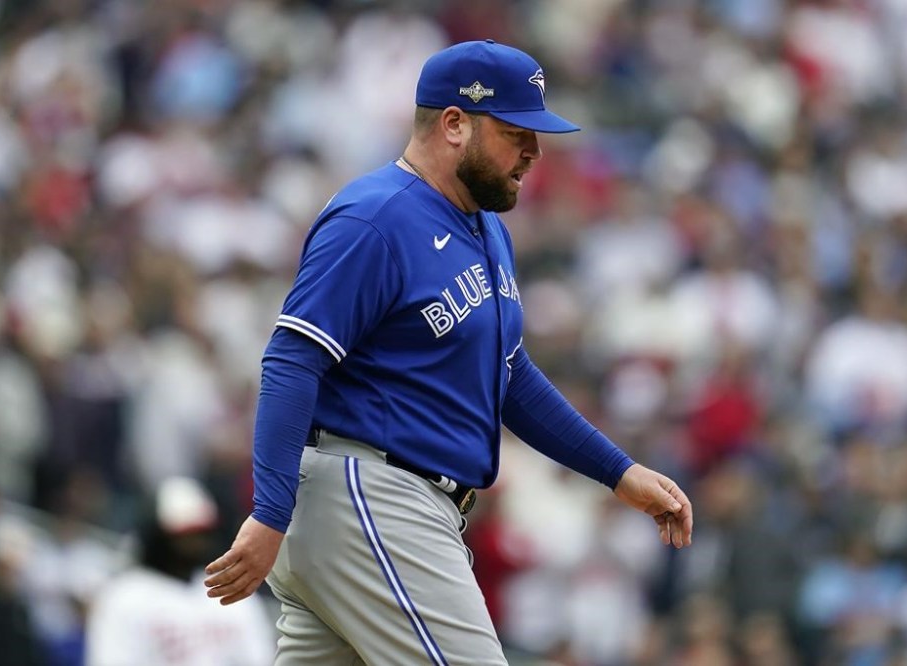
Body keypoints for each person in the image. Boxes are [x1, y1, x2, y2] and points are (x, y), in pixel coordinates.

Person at [203, 39, 693, 665]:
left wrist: (617, 472)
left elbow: (509, 376)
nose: (534, 152)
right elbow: (292, 359)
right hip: (373, 497)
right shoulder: (375, 218)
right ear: (455, 123)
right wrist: (269, 514)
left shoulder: (485, 227)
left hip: (390, 509)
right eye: (517, 132)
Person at [85, 476, 274, 666]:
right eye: (183, 536)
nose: (194, 544)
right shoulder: (125, 595)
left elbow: (260, 659)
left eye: (201, 534)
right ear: (158, 537)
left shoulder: (232, 589)